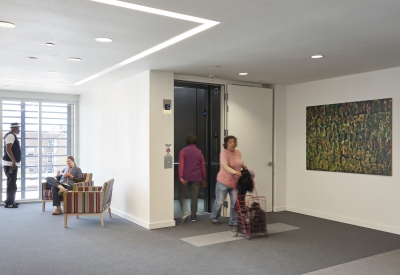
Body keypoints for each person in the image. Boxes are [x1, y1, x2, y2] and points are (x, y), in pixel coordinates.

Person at [210, 135, 247, 226]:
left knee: (235, 203)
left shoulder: (238, 152)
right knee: (219, 202)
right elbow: (225, 166)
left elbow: (240, 161)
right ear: (226, 144)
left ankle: (233, 221)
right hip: (223, 182)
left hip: (235, 183)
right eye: (230, 142)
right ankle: (214, 218)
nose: (233, 144)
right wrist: (235, 172)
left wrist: (244, 166)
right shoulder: (224, 153)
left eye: (234, 142)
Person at [178, 134, 206, 222]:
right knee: (194, 197)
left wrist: (181, 176)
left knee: (181, 195)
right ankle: (193, 216)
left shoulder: (183, 151)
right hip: (197, 177)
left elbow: (181, 165)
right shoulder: (199, 152)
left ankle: (185, 211)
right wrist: (203, 179)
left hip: (186, 177)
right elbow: (202, 167)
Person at [3, 122, 21, 208]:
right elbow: (8, 149)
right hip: (10, 163)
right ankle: (9, 203)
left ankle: (11, 200)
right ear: (15, 128)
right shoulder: (10, 135)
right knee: (11, 183)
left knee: (12, 183)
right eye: (18, 128)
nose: (19, 130)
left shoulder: (12, 136)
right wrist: (13, 160)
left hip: (11, 163)